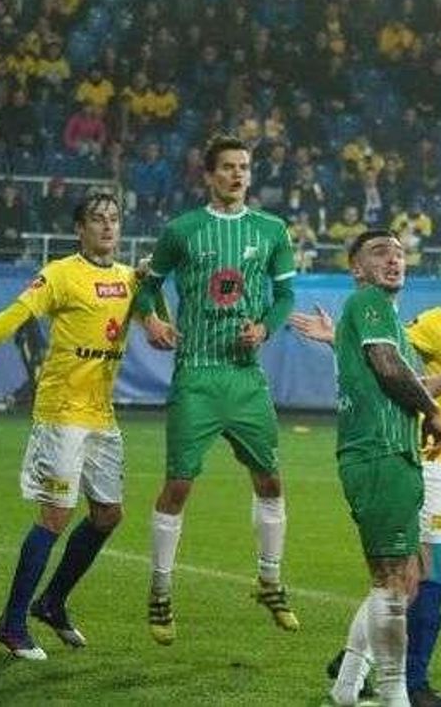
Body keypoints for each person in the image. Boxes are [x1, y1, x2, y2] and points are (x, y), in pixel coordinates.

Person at [293, 244, 441, 707]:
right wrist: (336, 336)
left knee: (406, 575)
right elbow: (387, 354)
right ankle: (411, 684)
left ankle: (352, 667)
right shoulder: (436, 321)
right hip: (429, 458)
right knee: (428, 573)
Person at [134, 134, 298, 645]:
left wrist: (267, 328)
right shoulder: (183, 230)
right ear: (209, 175)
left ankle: (270, 581)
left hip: (246, 376)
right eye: (227, 167)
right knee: (179, 484)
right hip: (198, 373)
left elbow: (286, 293)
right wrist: (153, 321)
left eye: (244, 167)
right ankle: (160, 591)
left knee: (270, 481)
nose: (236, 175)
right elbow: (146, 283)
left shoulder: (271, 230)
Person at [0, 193, 136, 659]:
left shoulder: (129, 279)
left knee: (108, 516)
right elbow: (20, 310)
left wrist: (161, 327)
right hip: (61, 413)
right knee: (55, 517)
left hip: (102, 415)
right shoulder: (60, 274)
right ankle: (12, 622)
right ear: (80, 228)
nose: (107, 227)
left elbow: (154, 317)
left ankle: (53, 602)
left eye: (114, 219)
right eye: (97, 219)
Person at [326, 230, 441, 707]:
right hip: (379, 453)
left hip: (391, 455)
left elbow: (407, 378)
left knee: (406, 574)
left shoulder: (387, 320)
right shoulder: (369, 302)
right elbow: (388, 369)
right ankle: (395, 694)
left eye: (399, 253)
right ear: (357, 267)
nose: (394, 260)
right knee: (393, 578)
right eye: (380, 253)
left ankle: (346, 687)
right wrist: (435, 415)